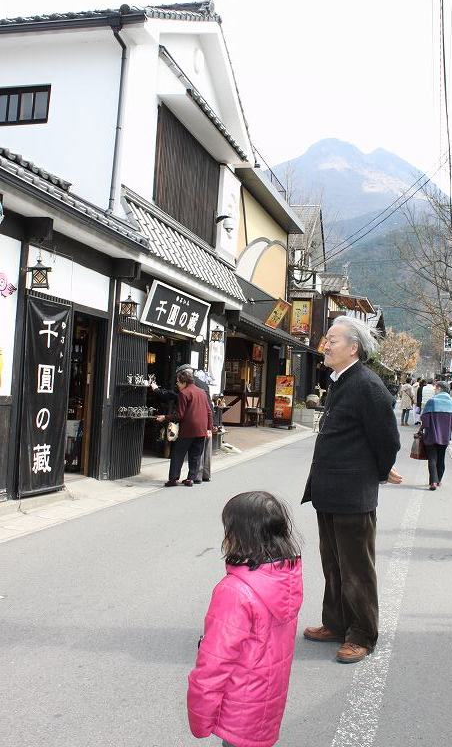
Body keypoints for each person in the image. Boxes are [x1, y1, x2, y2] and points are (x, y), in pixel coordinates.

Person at [302, 316, 402, 664]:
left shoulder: (367, 385)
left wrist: (374, 474)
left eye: (332, 340)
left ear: (353, 348)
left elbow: (388, 440)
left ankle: (362, 633)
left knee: (356, 567)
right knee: (333, 563)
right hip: (330, 490)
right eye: (326, 339)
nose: (325, 344)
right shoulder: (341, 381)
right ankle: (336, 622)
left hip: (352, 492)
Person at [187, 491, 303, 747]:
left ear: (238, 535)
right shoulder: (287, 577)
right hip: (266, 702)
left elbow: (215, 663)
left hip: (239, 705)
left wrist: (199, 718)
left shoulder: (234, 591)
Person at [154, 369, 213, 487]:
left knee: (178, 454)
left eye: (178, 382)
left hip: (188, 429)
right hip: (201, 429)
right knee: (195, 455)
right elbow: (209, 411)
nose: (177, 384)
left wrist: (164, 417)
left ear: (183, 382)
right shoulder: (202, 392)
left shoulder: (184, 393)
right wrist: (209, 428)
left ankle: (173, 479)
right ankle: (191, 478)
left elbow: (179, 415)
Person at [176, 363, 215, 483]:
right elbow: (209, 407)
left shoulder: (187, 387)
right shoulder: (203, 384)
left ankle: (196, 477)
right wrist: (210, 426)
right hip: (206, 421)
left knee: (196, 453)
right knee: (203, 452)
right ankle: (203, 475)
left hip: (194, 424)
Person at [420, 380, 452, 490]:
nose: (434, 390)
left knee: (432, 458)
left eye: (435, 388)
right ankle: (439, 480)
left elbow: (425, 419)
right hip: (445, 435)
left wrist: (423, 428)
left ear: (440, 389)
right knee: (441, 458)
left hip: (431, 434)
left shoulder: (432, 401)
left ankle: (433, 482)